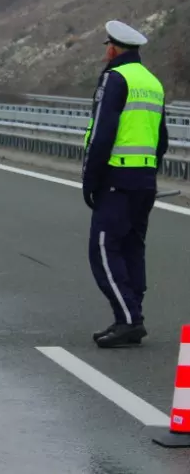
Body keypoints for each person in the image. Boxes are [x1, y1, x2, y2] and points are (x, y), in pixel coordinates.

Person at [82, 20, 168, 348]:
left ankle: (129, 320)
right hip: (144, 179)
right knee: (132, 248)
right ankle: (132, 316)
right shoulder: (152, 82)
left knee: (103, 249)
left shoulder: (115, 78)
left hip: (116, 178)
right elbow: (161, 139)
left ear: (114, 48)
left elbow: (102, 134)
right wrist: (149, 172)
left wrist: (90, 180)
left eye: (107, 47)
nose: (106, 52)